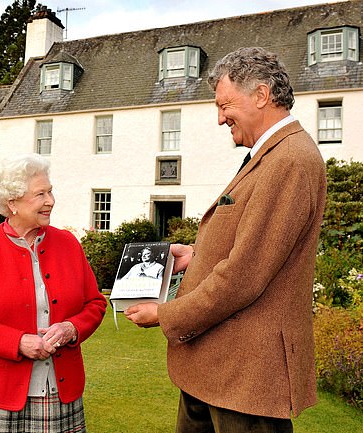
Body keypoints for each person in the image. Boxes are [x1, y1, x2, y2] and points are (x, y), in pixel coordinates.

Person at [125, 47, 327, 432]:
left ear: (261, 95)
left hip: (247, 378)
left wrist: (165, 314)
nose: (220, 119)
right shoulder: (269, 155)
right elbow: (257, 246)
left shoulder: (290, 161)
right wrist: (197, 254)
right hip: (217, 372)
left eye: (225, 106)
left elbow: (244, 276)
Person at [0, 153, 106, 433]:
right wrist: (18, 342)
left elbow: (94, 303)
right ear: (12, 203)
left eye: (50, 191)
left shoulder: (68, 243)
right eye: (40, 194)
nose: (50, 201)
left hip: (60, 392)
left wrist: (71, 328)